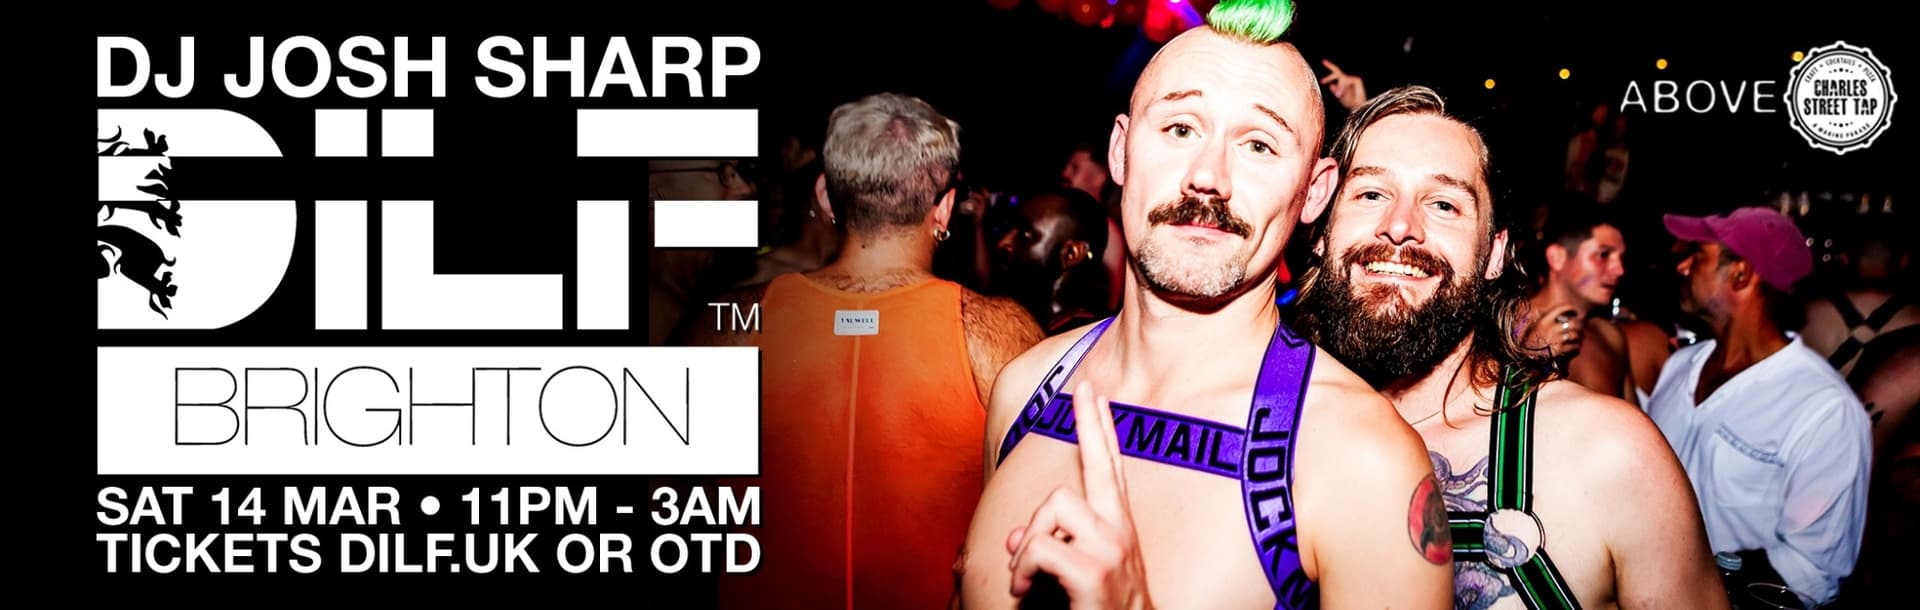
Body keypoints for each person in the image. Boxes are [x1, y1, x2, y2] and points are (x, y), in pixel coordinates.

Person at [960, 2, 1452, 607]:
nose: (1208, 176)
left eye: (1259, 145)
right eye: (1180, 129)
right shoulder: (1023, 389)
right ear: (1120, 151)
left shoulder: (1361, 460)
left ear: (1314, 192)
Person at [1290, 85, 1726, 608]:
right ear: (1321, 230)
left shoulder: (1609, 454)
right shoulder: (1267, 432)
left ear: (1494, 254)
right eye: (1371, 194)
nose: (1400, 226)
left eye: (1444, 204)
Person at [702, 93, 1044, 609]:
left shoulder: (728, 324)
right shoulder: (1001, 334)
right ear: (944, 207)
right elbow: (1041, 515)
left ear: (825, 195)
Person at [1645, 207, 1872, 605]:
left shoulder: (1823, 408)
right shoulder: (1682, 366)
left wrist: (1706, 587)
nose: (1682, 267)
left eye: (1697, 256)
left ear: (1741, 274)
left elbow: (1814, 569)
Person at [1524, 204, 1637, 404]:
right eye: (1603, 255)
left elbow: (1631, 417)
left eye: (1621, 258)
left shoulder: (1610, 336)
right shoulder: (1508, 325)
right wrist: (1531, 358)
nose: (1619, 270)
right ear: (1557, 258)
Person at [992, 187, 1113, 334]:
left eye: (1025, 235)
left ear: (1071, 254)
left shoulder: (1077, 339)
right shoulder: (1029, 321)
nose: (1003, 243)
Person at [1061, 142, 1130, 312]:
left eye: (1075, 168)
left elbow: (1111, 302)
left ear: (1100, 178)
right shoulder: (1062, 220)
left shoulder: (1107, 230)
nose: (1065, 173)